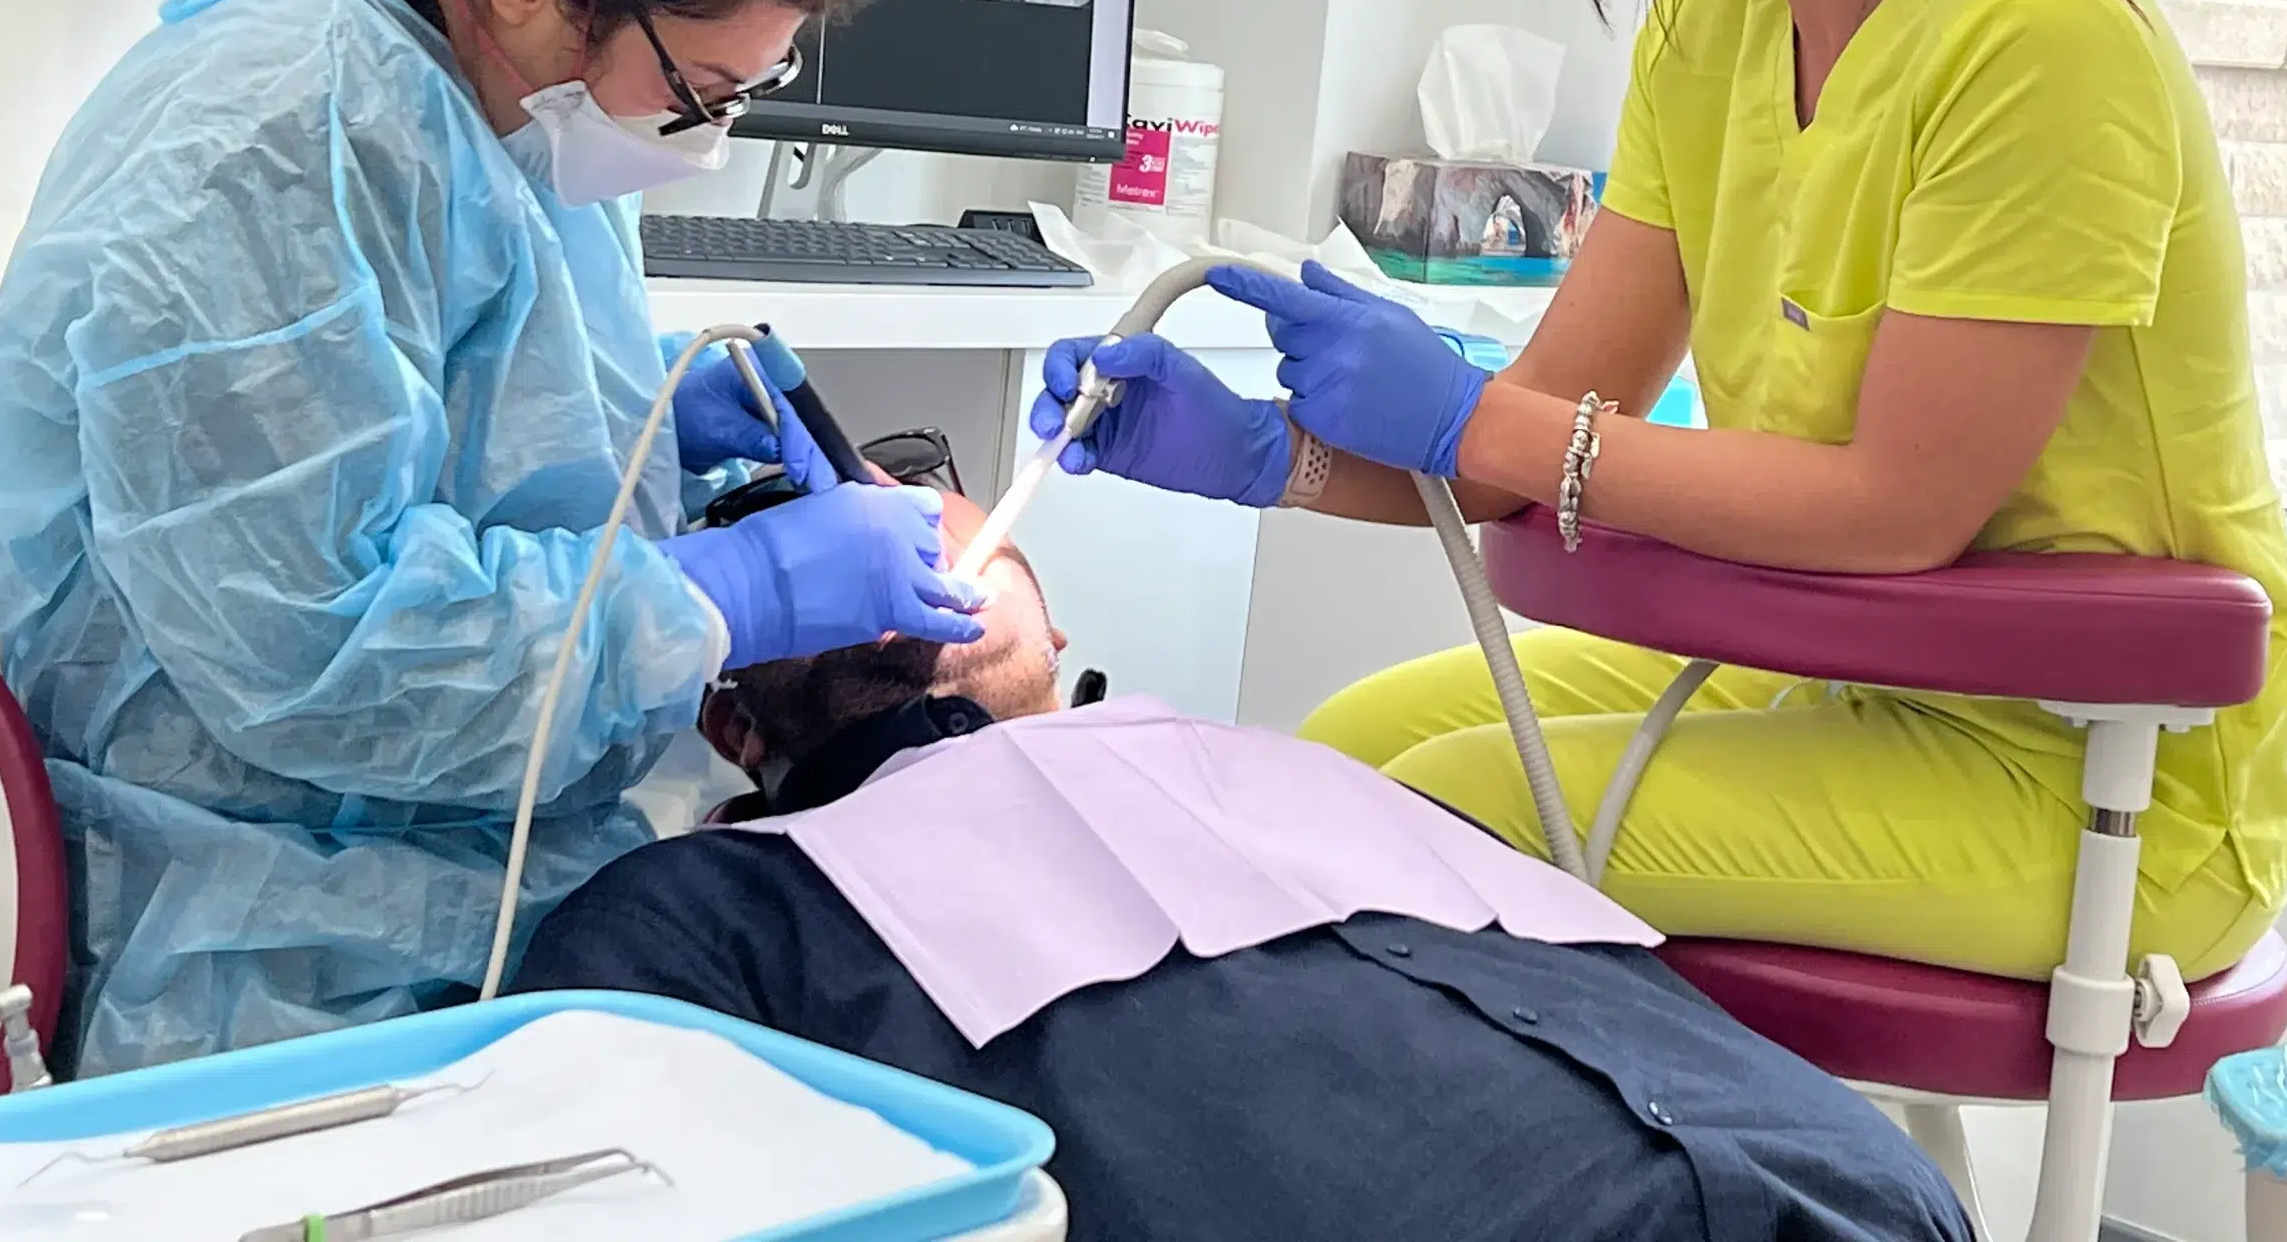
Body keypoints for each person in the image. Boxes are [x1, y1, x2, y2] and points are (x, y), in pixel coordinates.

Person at [1031, 0, 2287, 984]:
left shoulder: (2045, 42)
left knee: (1422, 819)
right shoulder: (1719, 20)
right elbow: (1542, 440)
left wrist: (1471, 412)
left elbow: (1901, 507)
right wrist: (1273, 457)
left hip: (2099, 771)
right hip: (1840, 678)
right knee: (1338, 754)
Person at [0, 0, 983, 1076]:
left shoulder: (486, 108)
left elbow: (451, 402)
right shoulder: (274, 146)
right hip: (279, 934)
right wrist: (728, 598)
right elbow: (321, 657)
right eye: (702, 85)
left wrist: (654, 417)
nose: (707, 131)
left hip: (471, 858)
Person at [512, 488, 1973, 1242]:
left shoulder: (1292, 772)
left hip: (1827, 1195)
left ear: (1053, 621)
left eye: (922, 498)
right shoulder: (719, 908)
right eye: (795, 542)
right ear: (725, 710)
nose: (881, 523)